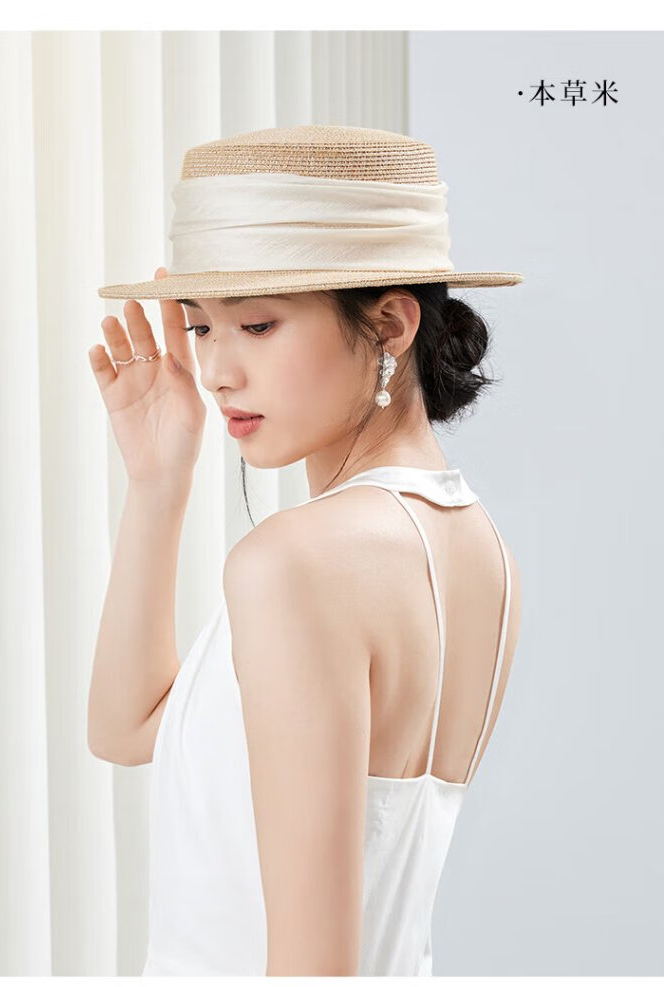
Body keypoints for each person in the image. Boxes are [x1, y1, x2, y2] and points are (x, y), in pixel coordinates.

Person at [87, 124, 524, 976]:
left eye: (256, 324)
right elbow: (128, 727)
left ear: (391, 324)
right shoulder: (485, 552)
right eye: (200, 327)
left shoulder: (297, 562)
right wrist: (157, 481)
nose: (216, 370)